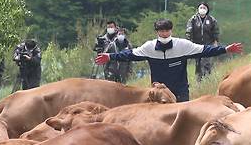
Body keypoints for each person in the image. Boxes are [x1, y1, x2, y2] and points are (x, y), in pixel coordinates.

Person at [95, 18, 243, 102]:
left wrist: (225, 49)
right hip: (159, 92)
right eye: (161, 31)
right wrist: (110, 56)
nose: (164, 34)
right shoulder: (150, 47)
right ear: (157, 32)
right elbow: (129, 54)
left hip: (180, 92)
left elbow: (205, 50)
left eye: (167, 30)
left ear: (171, 31)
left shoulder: (182, 45)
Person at [186, 2, 220, 81]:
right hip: (196, 45)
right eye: (201, 7)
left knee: (206, 62)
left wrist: (215, 42)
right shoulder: (193, 19)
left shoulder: (211, 20)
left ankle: (207, 79)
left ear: (207, 10)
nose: (202, 9)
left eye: (204, 8)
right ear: (198, 9)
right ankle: (199, 80)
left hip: (208, 44)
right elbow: (189, 31)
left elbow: (216, 31)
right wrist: (189, 42)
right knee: (198, 63)